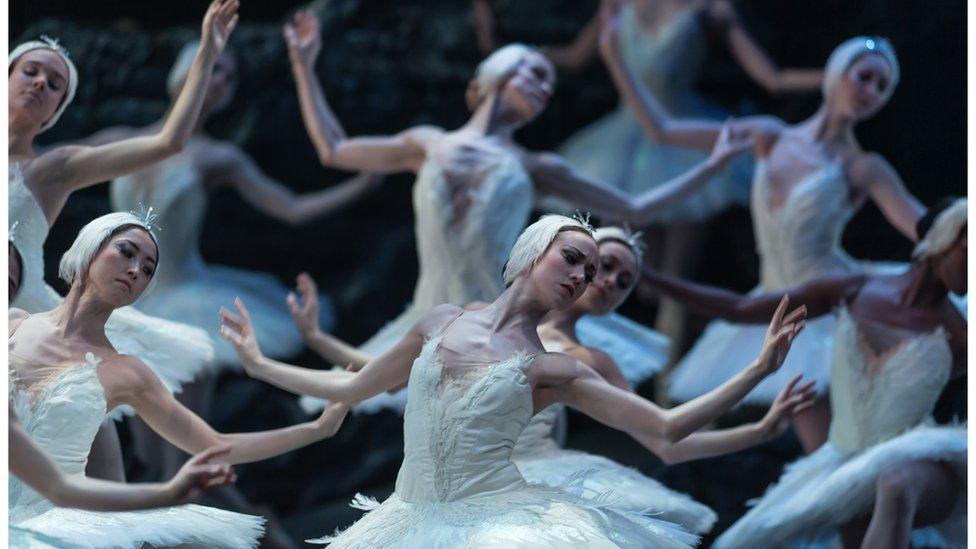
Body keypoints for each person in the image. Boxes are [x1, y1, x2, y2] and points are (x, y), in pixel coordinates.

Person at [220, 214, 806, 547]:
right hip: (409, 516)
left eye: (594, 271)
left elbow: (664, 427)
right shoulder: (439, 321)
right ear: (532, 252)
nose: (582, 275)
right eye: (572, 258)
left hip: (496, 522)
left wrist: (757, 371)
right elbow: (353, 387)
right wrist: (259, 363)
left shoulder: (556, 367)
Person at [282, 9, 752, 413]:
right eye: (536, 75)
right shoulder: (428, 144)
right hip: (429, 315)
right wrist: (304, 65)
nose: (545, 88)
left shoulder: (534, 165)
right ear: (500, 75)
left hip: (501, 327)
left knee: (516, 442)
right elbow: (334, 148)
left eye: (550, 83)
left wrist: (713, 166)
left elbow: (634, 208)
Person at [599, 0, 929, 452]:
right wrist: (615, 57)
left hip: (824, 311)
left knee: (828, 448)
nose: (870, 89)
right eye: (864, 75)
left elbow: (922, 225)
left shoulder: (862, 166)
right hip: (768, 301)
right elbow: (662, 130)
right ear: (837, 73)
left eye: (882, 86)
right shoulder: (768, 135)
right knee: (807, 444)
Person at [8, 212, 349, 548]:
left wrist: (317, 429)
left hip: (55, 530)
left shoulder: (127, 372)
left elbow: (213, 443)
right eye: (126, 252)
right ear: (90, 247)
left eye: (147, 269)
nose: (134, 270)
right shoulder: (12, 324)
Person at [639, 199, 967, 548]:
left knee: (895, 484)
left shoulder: (960, 334)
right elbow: (738, 308)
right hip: (841, 462)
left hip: (919, 460)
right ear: (942, 239)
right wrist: (648, 277)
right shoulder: (853, 290)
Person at [513, 225, 815, 535]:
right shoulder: (488, 319)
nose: (612, 281)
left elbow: (665, 440)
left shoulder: (588, 362)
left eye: (625, 282)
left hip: (525, 484)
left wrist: (760, 426)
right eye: (607, 265)